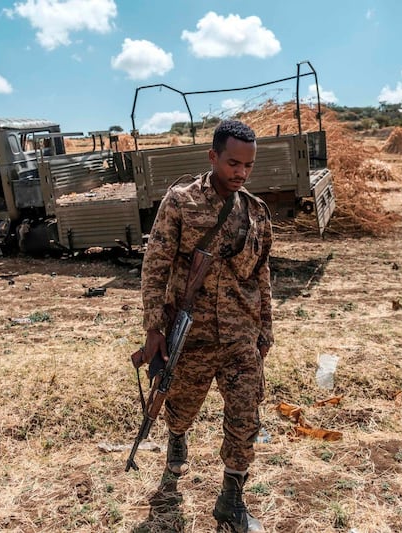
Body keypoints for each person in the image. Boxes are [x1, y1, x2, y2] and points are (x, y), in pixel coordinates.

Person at [139, 119, 273, 533]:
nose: (240, 173)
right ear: (213, 156)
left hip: (240, 335)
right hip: (190, 336)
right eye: (233, 163)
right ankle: (176, 437)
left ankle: (231, 498)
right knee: (180, 407)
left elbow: (262, 273)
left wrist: (265, 327)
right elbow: (155, 267)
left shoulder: (256, 211)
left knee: (245, 415)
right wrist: (153, 329)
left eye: (248, 166)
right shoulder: (180, 202)